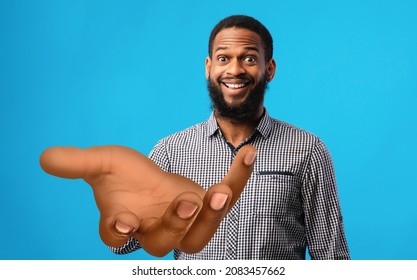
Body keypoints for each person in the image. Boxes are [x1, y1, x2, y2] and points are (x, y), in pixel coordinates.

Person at [40, 15, 349, 260]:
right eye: (224, 58)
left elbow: (332, 258)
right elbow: (123, 246)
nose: (235, 69)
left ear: (269, 69)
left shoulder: (307, 150)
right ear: (208, 67)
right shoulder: (171, 151)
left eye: (250, 59)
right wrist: (126, 222)